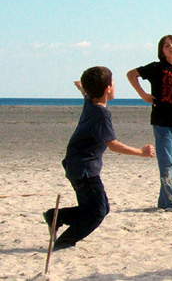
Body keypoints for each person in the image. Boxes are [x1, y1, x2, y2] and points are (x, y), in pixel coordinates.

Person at [44, 67, 155, 250]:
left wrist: (82, 87)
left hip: (76, 165)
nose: (115, 86)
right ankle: (64, 242)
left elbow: (86, 94)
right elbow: (113, 145)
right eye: (113, 83)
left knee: (99, 208)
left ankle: (56, 216)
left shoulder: (91, 102)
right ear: (108, 89)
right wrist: (140, 152)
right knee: (96, 213)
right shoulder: (101, 114)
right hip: (84, 170)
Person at [127, 35, 172, 213]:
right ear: (162, 51)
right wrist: (143, 95)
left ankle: (163, 201)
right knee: (167, 163)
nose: (171, 47)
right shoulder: (157, 68)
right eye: (166, 46)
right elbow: (131, 74)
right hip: (161, 122)